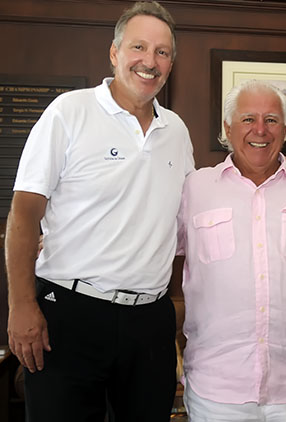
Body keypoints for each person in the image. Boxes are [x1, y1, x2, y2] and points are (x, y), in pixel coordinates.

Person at [5, 2, 192, 421]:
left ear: (172, 63)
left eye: (162, 52)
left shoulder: (176, 131)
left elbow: (195, 209)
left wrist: (279, 167)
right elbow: (23, 215)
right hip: (70, 314)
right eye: (139, 47)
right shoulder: (69, 113)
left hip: (150, 321)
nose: (150, 61)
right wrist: (21, 306)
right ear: (114, 52)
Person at [176, 80, 286, 422]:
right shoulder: (195, 189)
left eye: (271, 120)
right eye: (248, 119)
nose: (260, 129)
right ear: (228, 128)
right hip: (217, 392)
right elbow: (150, 248)